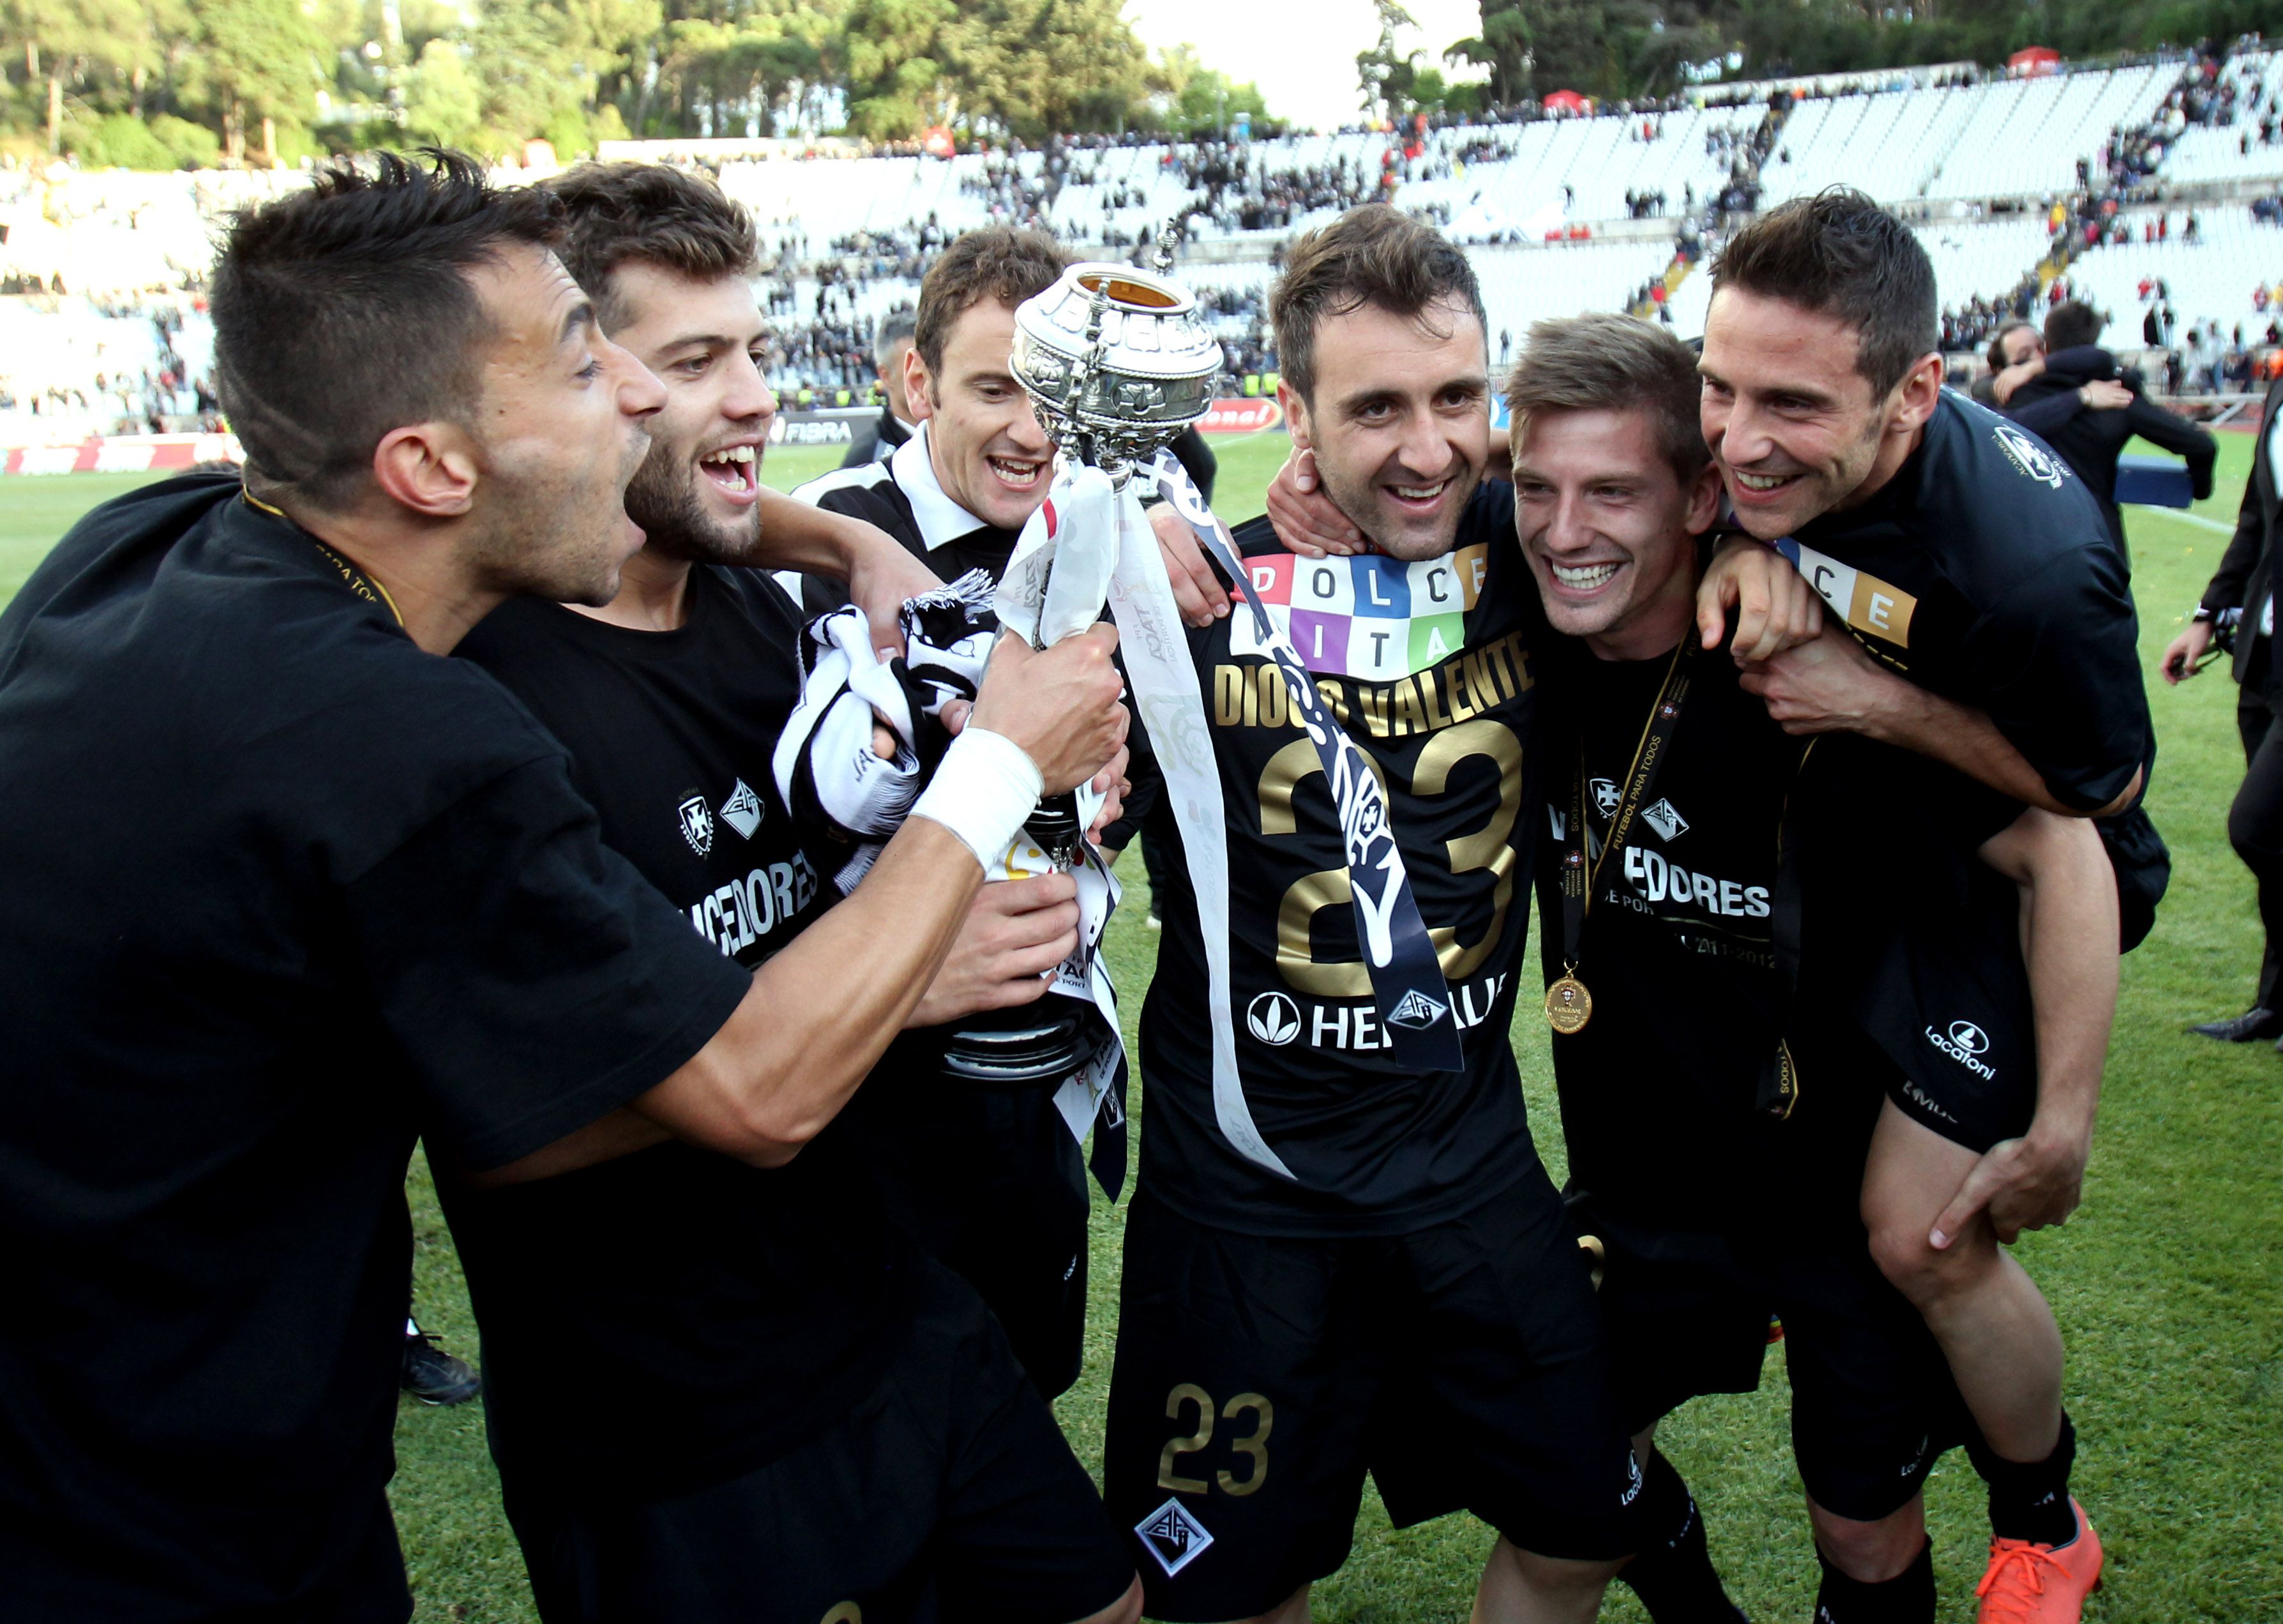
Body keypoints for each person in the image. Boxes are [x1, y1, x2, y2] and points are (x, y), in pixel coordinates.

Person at [0, 151, 1127, 1623]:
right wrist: (991, 767)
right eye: (595, 372)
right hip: (169, 1515)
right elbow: (750, 1086)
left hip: (842, 1311)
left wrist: (840, 535)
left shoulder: (150, 549)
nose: (646, 405)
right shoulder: (417, 735)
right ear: (432, 466)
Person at [446, 160, 1140, 1624]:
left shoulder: (767, 614)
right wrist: (906, 969)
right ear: (583, 382)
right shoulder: (478, 700)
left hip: (886, 1292)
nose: (756, 395)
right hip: (666, 1411)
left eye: (754, 351)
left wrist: (1030, 825)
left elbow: (857, 854)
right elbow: (507, 1125)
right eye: (695, 360)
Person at [1507, 312, 2120, 1624]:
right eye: (1538, 489)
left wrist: (2065, 1118)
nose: (1565, 530)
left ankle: (2040, 1521)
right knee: (1567, 1483)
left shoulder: (1810, 677)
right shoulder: (1510, 636)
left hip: (1836, 1194)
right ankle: (1690, 1594)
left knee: (1863, 1527)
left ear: (1700, 497)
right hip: (1644, 1184)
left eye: (1614, 490)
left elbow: (2065, 844)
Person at [1697, 187, 2156, 1623]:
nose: (1735, 438)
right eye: (1717, 387)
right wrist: (1741, 546)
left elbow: (2093, 809)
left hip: (2016, 890)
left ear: (1916, 392)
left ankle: (2041, 1522)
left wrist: (1872, 701)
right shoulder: (1737, 446)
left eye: (1789, 404)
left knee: (1921, 1235)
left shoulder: (2030, 566)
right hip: (1869, 861)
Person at [787, 227, 1214, 1397]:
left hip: (1026, 1086)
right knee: (866, 1434)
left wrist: (1096, 808)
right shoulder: (825, 540)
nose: (1034, 429)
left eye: (1059, 396)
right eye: (994, 387)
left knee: (1016, 1398)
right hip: (852, 1103)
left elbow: (1114, 782)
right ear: (915, 383)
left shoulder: (1109, 523)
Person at [2166, 365, 2283, 1047]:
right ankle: (2275, 1002)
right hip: (2263, 655)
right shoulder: (2277, 391)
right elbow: (2254, 524)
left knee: (2258, 827)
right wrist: (2206, 616)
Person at [1999, 300, 2219, 556]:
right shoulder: (2117, 395)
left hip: (2032, 542)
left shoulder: (2017, 394)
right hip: (2100, 540)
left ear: (2046, 346)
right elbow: (2202, 445)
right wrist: (2200, 488)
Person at [839, 310, 918, 467]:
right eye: (912, 366)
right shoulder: (866, 461)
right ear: (886, 376)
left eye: (933, 362)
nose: (926, 375)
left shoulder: (961, 442)